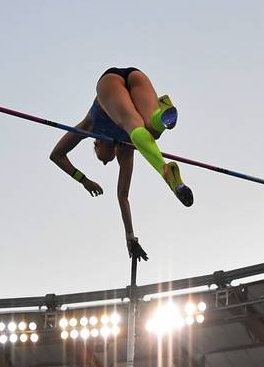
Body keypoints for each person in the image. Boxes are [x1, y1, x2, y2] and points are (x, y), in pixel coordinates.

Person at [49, 67, 189, 261]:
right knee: (151, 130)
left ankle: (165, 172)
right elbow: (123, 196)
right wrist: (130, 237)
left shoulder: (89, 126)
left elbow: (56, 155)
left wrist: (83, 180)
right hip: (137, 76)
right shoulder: (125, 149)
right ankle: (162, 115)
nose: (107, 163)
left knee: (132, 124)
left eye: (101, 158)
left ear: (96, 143)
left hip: (110, 82)